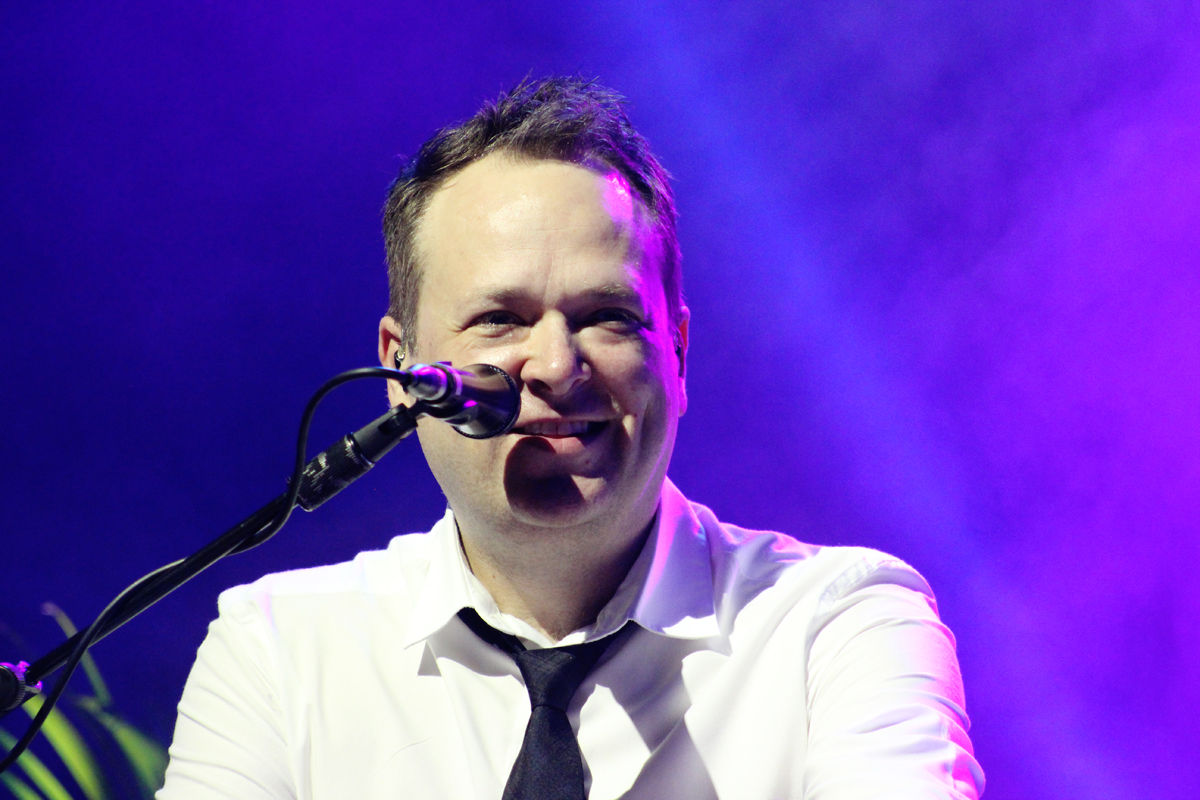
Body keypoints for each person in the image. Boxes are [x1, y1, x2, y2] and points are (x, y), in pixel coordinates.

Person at [158, 78, 984, 799]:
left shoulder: (836, 627)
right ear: (402, 368)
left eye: (607, 317)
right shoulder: (279, 651)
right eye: (500, 319)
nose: (555, 365)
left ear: (678, 355)